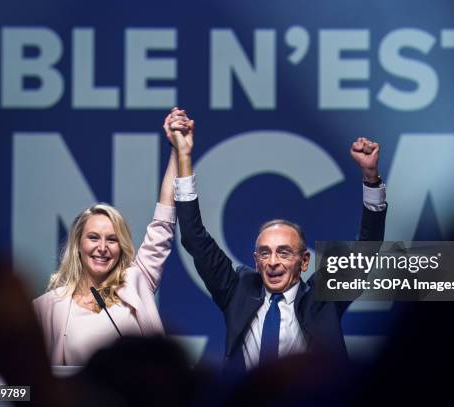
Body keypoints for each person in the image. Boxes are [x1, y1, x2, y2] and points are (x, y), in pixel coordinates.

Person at [166, 108, 387, 372]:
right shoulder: (237, 289)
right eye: (264, 253)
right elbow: (193, 236)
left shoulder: (324, 297)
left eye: (283, 253)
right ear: (255, 261)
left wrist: (371, 178)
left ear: (304, 261)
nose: (272, 262)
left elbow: (368, 246)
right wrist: (184, 156)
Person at [33, 110, 185, 365]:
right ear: (78, 245)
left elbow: (164, 221)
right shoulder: (49, 306)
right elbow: (30, 379)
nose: (102, 248)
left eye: (112, 240)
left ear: (121, 246)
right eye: (93, 238)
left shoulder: (136, 281)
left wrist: (176, 151)